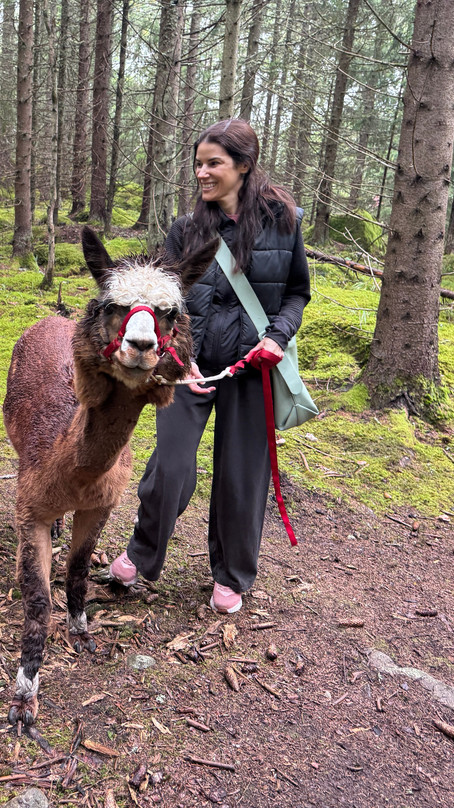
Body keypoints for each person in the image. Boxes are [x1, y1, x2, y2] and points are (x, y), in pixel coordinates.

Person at [109, 119, 310, 614]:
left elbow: (297, 293)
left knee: (242, 477)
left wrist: (277, 338)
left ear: (243, 166)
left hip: (252, 369)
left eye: (213, 163)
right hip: (188, 367)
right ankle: (142, 552)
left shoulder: (285, 222)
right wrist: (185, 360)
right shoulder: (186, 230)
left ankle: (233, 575)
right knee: (170, 465)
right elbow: (165, 305)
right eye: (198, 163)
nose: (202, 172)